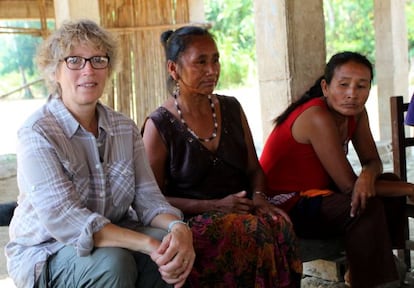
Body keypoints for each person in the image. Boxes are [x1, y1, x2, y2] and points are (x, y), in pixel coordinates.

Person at [5, 19, 195, 288]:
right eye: (74, 61)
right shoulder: (37, 133)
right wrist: (147, 243)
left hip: (114, 239)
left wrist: (179, 228)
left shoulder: (124, 128)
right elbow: (68, 220)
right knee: (114, 263)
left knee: (169, 248)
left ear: (109, 67)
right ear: (54, 71)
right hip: (47, 251)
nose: (88, 70)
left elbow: (149, 200)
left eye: (98, 60)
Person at [141, 25, 302, 288]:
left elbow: (254, 169)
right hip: (190, 222)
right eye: (200, 62)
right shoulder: (159, 125)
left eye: (215, 60)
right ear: (173, 69)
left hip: (241, 212)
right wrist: (213, 205)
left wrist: (260, 199)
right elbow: (150, 199)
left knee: (278, 224)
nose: (212, 70)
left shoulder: (231, 107)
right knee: (251, 232)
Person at [259, 51, 414, 288]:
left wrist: (367, 175)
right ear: (325, 87)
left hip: (321, 193)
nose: (352, 94)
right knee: (365, 204)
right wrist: (409, 187)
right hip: (287, 203)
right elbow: (348, 187)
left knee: (387, 182)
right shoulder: (317, 116)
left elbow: (372, 161)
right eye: (343, 85)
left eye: (361, 86)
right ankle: (377, 279)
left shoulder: (357, 113)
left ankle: (372, 266)